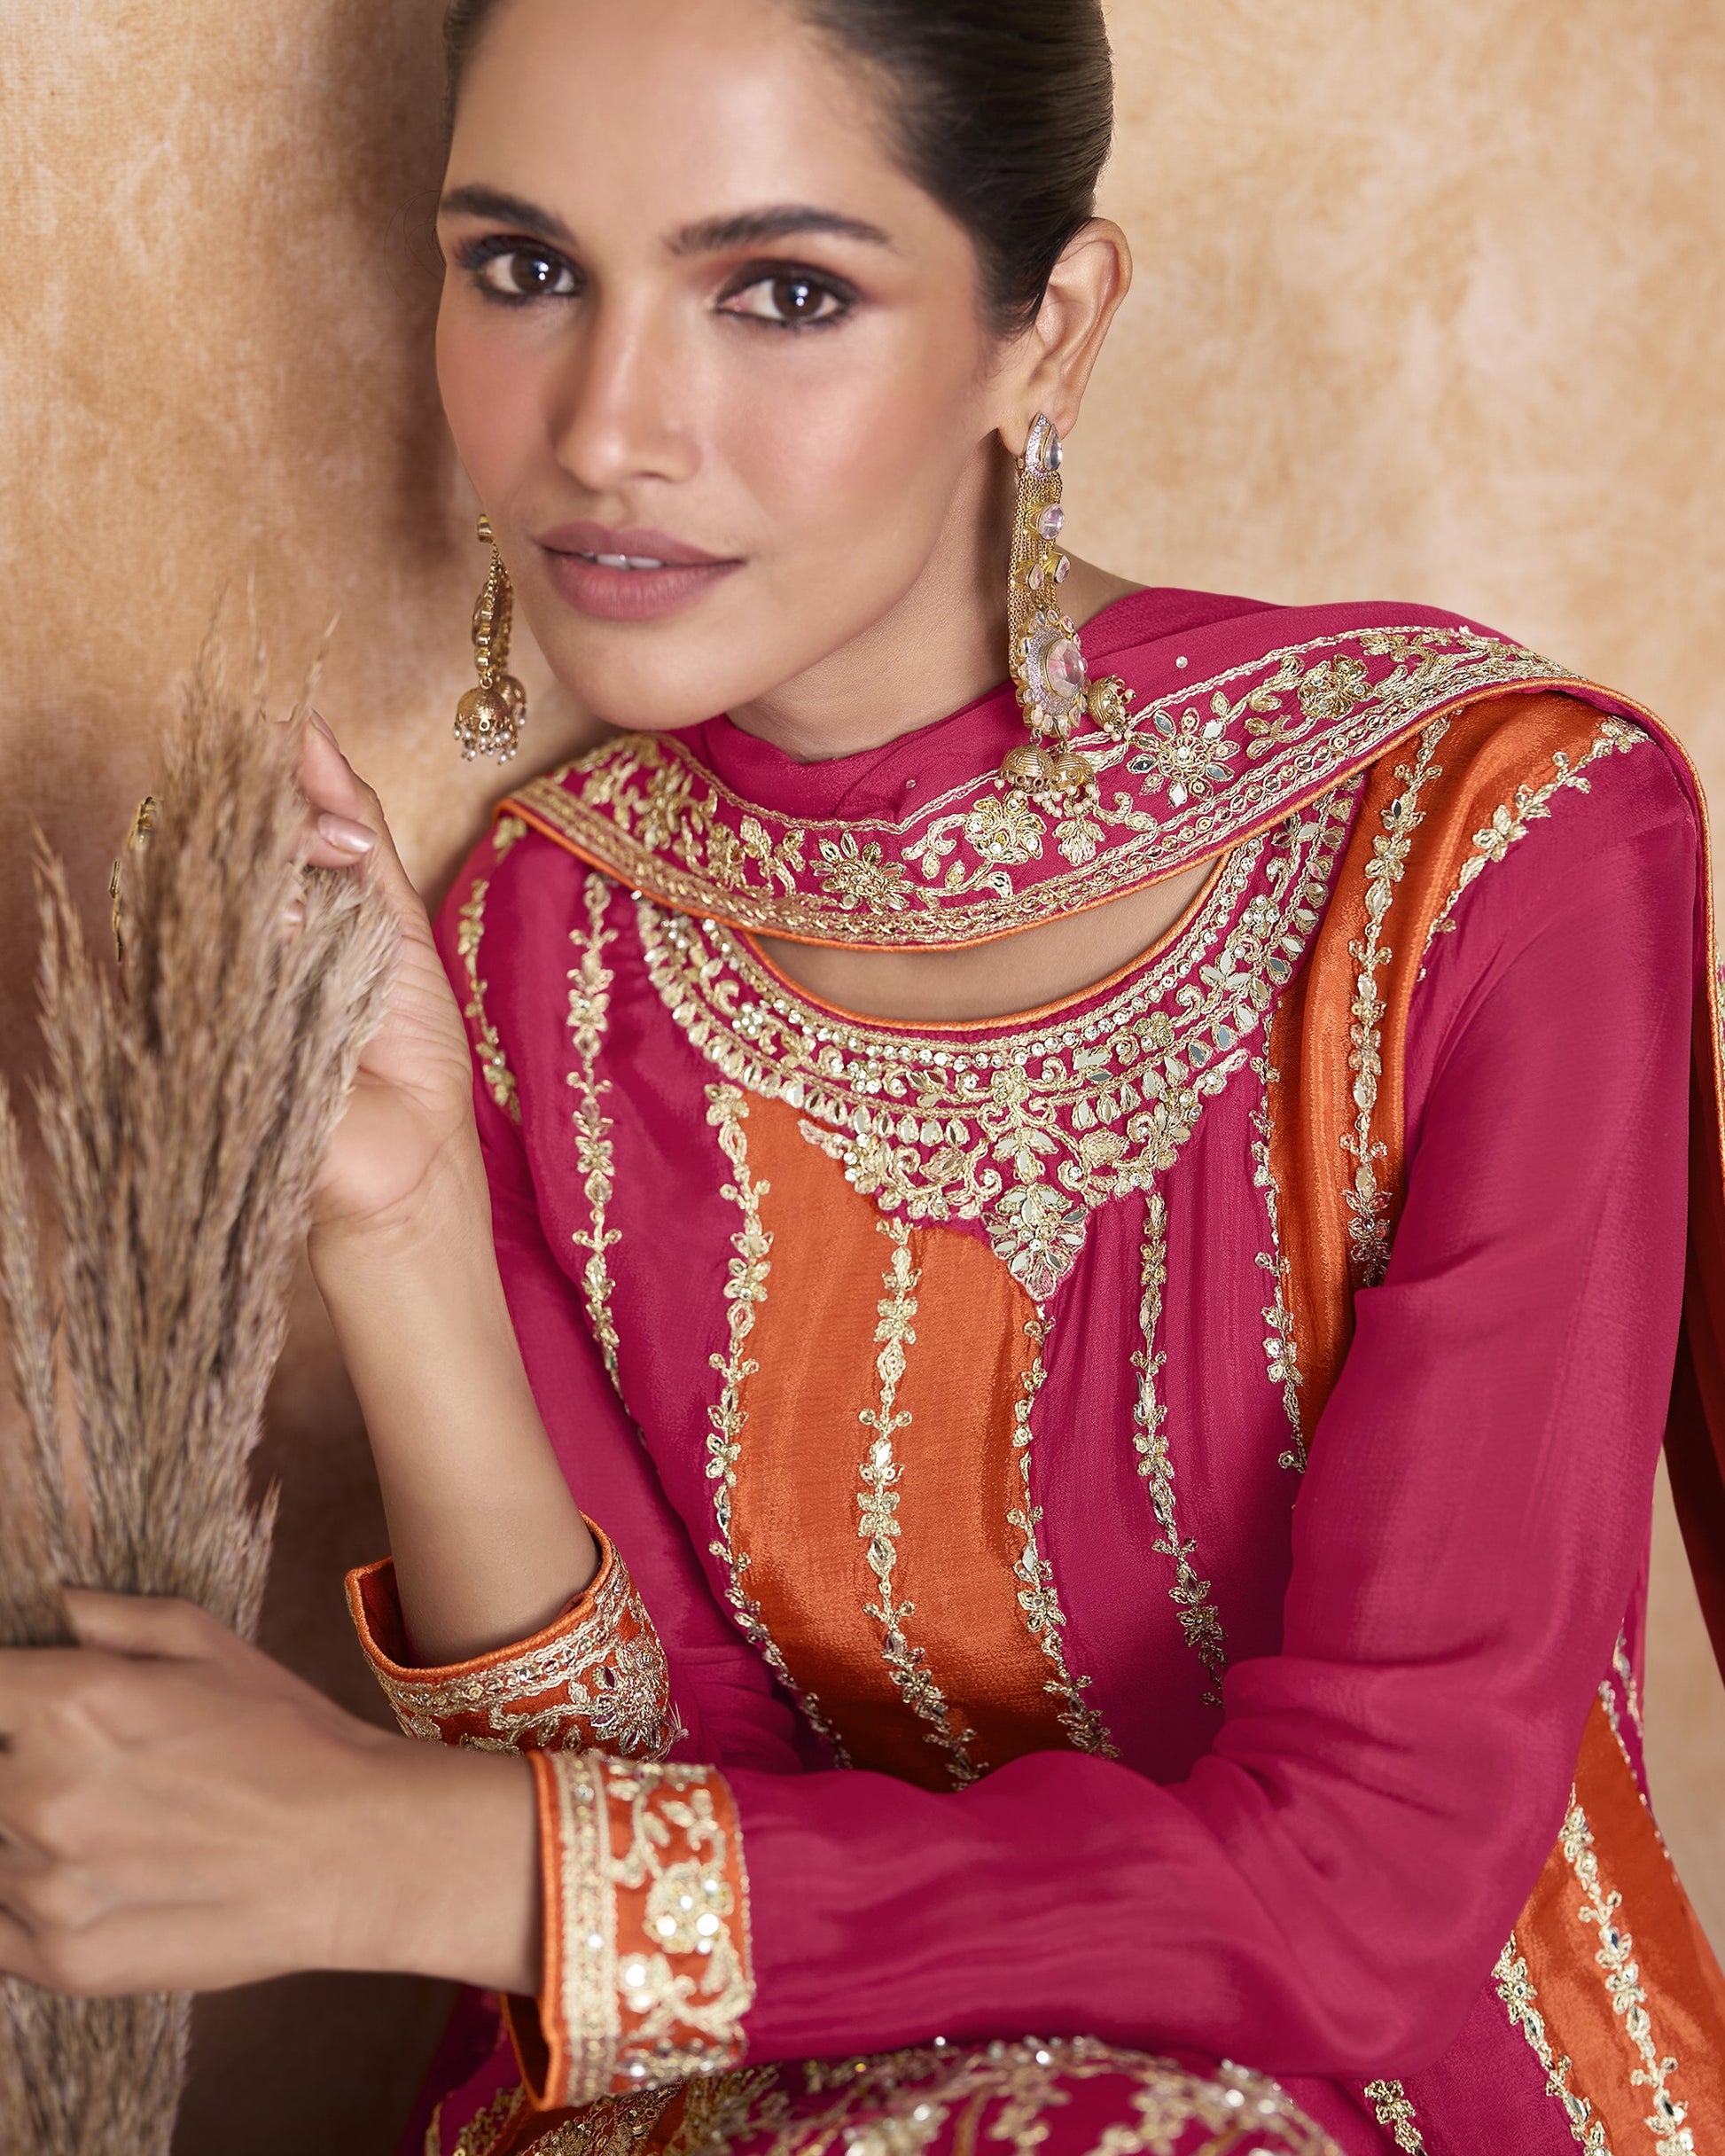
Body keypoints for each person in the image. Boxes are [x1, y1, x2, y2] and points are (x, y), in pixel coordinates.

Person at [3, 1, 1724, 2151]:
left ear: (1044, 331)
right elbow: (654, 1798)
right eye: (523, 268)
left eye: (783, 293)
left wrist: (378, 1854)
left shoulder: (1492, 842)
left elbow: (1367, 1888)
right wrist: (405, 1221)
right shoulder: (550, 931)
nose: (604, 431)